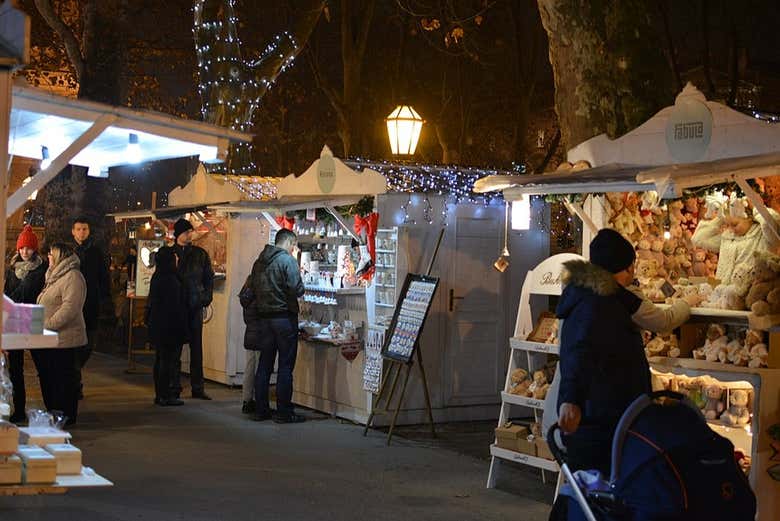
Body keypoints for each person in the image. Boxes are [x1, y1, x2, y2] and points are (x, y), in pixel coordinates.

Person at [555, 229, 660, 475]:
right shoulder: (596, 301)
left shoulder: (599, 296)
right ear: (619, 268)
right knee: (596, 482)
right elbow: (578, 348)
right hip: (599, 414)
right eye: (629, 267)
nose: (632, 273)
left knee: (602, 482)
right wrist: (571, 398)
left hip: (605, 411)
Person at [249, 229, 305, 423]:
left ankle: (261, 409)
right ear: (289, 242)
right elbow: (297, 289)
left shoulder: (259, 262)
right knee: (285, 366)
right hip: (284, 319)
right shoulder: (287, 261)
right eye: (294, 245)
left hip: (264, 319)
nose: (294, 249)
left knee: (264, 364)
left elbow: (252, 288)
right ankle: (284, 412)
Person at [35, 243, 87, 426]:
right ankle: (54, 412)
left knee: (63, 379)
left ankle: (65, 415)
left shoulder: (73, 277)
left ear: (60, 256)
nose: (48, 257)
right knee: (50, 377)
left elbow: (70, 308)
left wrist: (48, 324)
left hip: (65, 338)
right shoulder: (54, 276)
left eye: (51, 254)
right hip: (50, 337)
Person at [3, 226, 48, 423]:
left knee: (42, 365)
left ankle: (51, 407)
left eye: (28, 248)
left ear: (34, 249)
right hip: (15, 321)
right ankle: (19, 409)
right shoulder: (13, 268)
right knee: (15, 368)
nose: (25, 252)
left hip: (33, 319)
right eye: (21, 248)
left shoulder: (41, 269)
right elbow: (7, 293)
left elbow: (32, 293)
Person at [172, 218, 214, 400]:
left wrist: (205, 298)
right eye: (186, 232)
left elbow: (208, 277)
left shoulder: (200, 254)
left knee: (196, 349)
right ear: (178, 234)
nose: (190, 234)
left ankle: (197, 387)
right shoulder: (170, 254)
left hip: (195, 305)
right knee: (175, 349)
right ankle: (174, 386)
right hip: (176, 307)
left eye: (190, 231)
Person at [71, 216, 110, 399]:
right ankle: (75, 382)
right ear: (73, 231)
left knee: (88, 343)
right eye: (78, 229)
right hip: (72, 303)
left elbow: (103, 277)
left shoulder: (96, 252)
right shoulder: (69, 251)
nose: (81, 233)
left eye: (84, 229)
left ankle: (75, 372)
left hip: (91, 303)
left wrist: (104, 298)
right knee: (74, 344)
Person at [145, 247, 188, 407]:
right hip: (169, 327)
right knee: (167, 361)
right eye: (174, 257)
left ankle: (161, 394)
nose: (177, 259)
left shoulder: (158, 276)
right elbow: (174, 306)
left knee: (161, 359)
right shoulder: (170, 279)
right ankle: (165, 394)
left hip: (159, 325)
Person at [238, 274, 260, 414]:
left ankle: (247, 400)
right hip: (261, 335)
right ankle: (258, 400)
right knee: (259, 370)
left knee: (249, 369)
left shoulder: (246, 297)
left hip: (250, 335)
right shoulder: (259, 298)